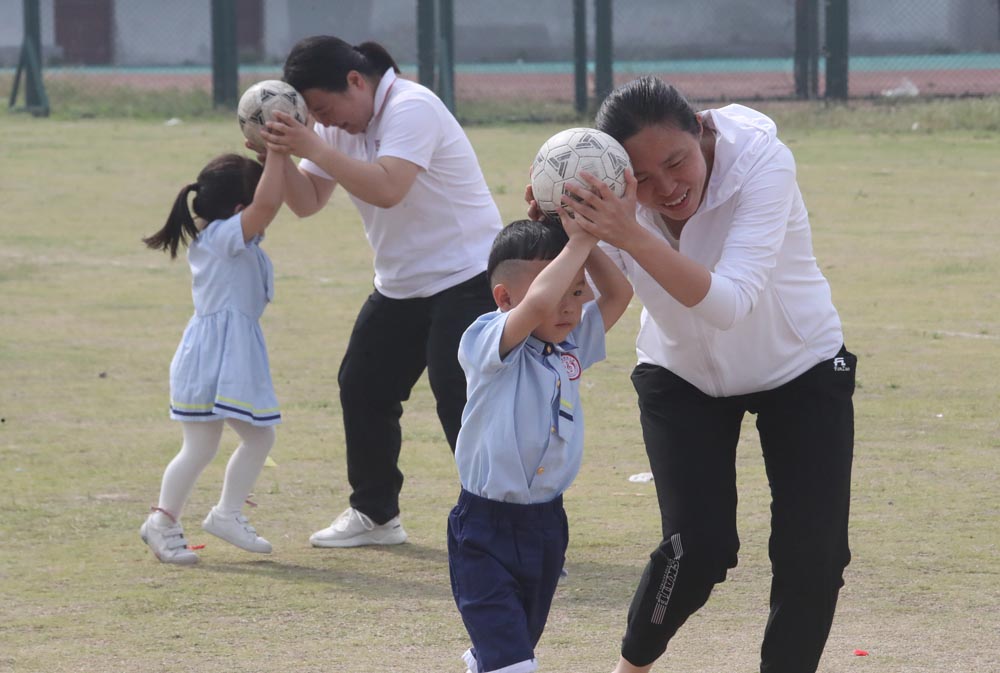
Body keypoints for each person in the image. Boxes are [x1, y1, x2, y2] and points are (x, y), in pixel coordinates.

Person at [529, 76, 856, 673]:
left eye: (676, 161)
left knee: (813, 554)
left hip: (800, 365)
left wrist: (627, 230)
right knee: (696, 549)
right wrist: (563, 229)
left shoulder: (763, 162)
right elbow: (598, 284)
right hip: (679, 371)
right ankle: (631, 667)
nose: (666, 187)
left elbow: (731, 304)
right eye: (643, 179)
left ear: (701, 129)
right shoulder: (621, 195)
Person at [258, 35, 503, 548]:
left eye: (325, 109)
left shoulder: (412, 107)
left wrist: (314, 144)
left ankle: (504, 521)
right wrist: (277, 154)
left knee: (459, 398)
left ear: (355, 81)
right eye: (314, 115)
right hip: (401, 283)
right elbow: (305, 202)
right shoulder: (336, 127)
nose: (325, 122)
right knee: (362, 386)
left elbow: (389, 188)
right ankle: (376, 515)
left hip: (467, 275)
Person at [448, 216, 633, 673]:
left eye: (576, 292)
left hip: (547, 525)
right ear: (505, 298)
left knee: (515, 642)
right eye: (556, 294)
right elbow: (535, 309)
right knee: (515, 662)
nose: (568, 307)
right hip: (484, 529)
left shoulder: (568, 347)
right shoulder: (487, 340)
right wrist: (581, 239)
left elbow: (619, 294)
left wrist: (582, 239)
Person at [139, 151, 286, 565]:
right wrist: (278, 154)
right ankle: (171, 521)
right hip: (213, 358)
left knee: (248, 438)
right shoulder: (223, 238)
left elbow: (268, 203)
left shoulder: (230, 237)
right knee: (208, 446)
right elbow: (269, 204)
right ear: (240, 208)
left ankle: (217, 515)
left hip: (227, 354)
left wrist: (273, 160)